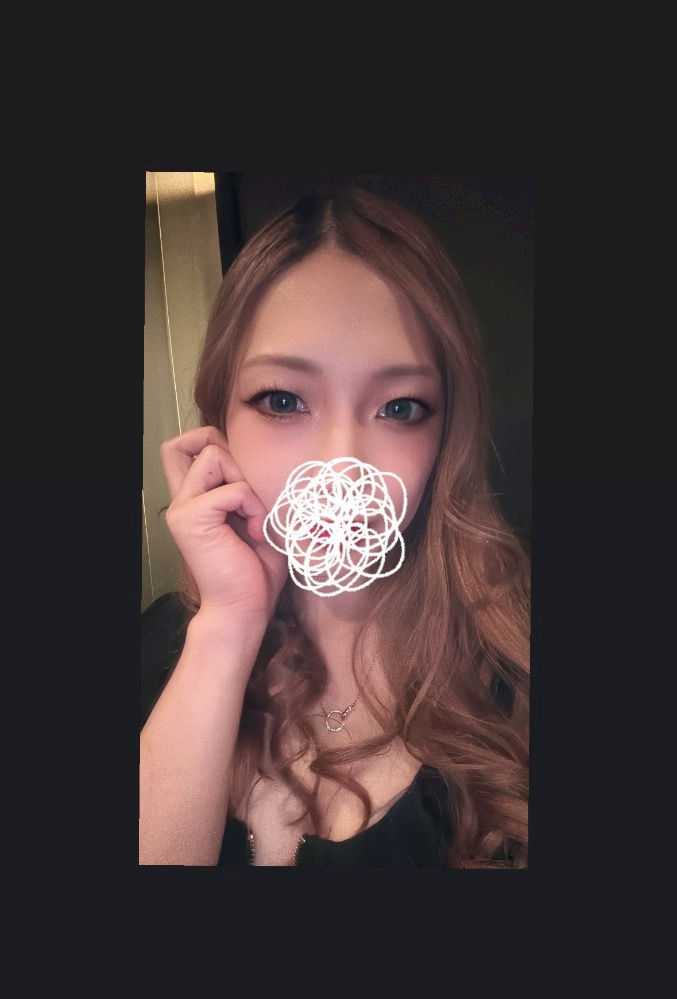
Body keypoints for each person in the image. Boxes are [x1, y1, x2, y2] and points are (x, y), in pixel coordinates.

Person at [139, 186, 530, 868]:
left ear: (447, 436)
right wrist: (229, 625)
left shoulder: (515, 672)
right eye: (283, 399)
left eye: (400, 407)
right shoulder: (157, 650)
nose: (341, 466)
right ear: (220, 419)